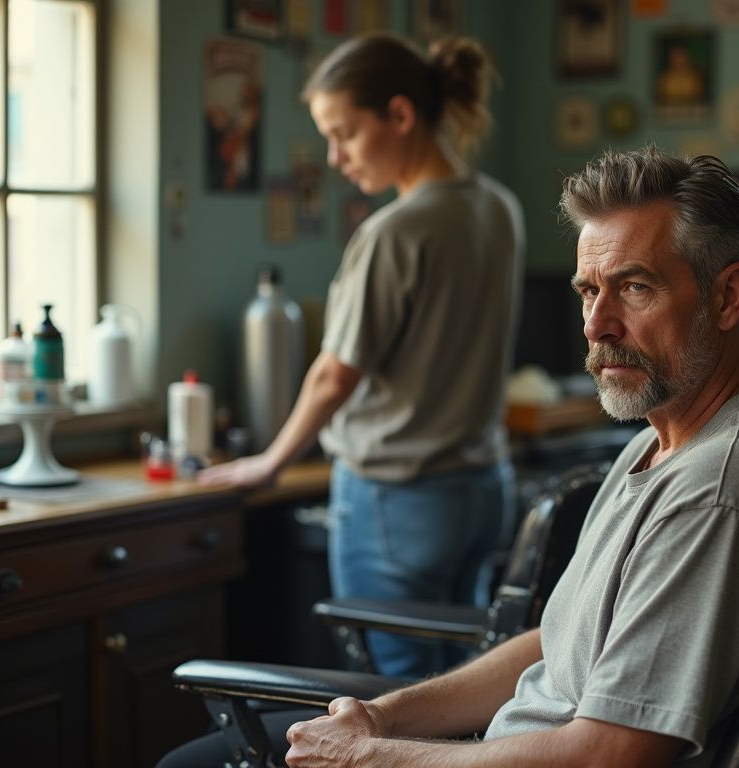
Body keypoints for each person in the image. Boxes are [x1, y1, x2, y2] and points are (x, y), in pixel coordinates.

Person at [161, 147, 739, 768]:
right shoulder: (663, 447)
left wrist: (375, 758)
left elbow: (609, 755)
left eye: (633, 286)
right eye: (588, 292)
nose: (596, 325)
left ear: (729, 298)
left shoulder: (723, 491)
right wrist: (381, 718)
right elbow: (556, 643)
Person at [196, 32, 525, 680]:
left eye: (345, 133)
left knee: (396, 692)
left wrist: (269, 462)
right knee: (467, 685)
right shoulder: (499, 207)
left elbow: (333, 373)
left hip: (396, 499)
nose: (336, 156)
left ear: (400, 116)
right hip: (483, 487)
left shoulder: (394, 231)